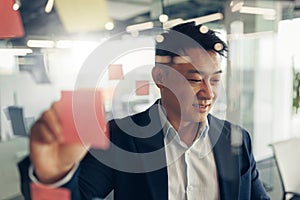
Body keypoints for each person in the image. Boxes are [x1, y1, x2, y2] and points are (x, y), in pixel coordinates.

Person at [18, 22, 270, 200]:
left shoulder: (236, 139)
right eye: (194, 80)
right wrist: (53, 177)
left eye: (214, 80)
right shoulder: (120, 136)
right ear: (160, 77)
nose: (209, 93)